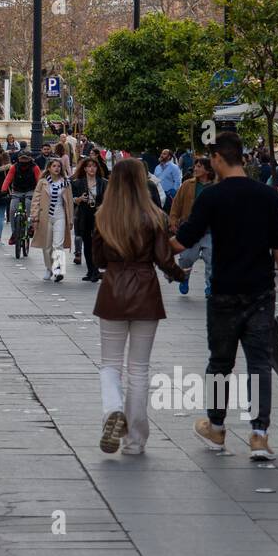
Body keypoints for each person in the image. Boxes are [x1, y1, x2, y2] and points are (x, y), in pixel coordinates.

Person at [172, 131, 278, 462]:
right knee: (259, 365)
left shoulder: (212, 197)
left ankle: (216, 427)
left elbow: (183, 242)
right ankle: (259, 436)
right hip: (261, 292)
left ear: (217, 158)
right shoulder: (268, 195)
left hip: (224, 290)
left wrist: (150, 240)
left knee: (220, 363)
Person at [92, 159, 187, 454]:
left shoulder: (103, 216)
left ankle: (112, 411)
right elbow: (163, 257)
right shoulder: (154, 215)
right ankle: (135, 441)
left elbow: (98, 260)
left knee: (110, 364)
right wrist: (179, 274)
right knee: (139, 369)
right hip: (145, 291)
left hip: (113, 291)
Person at [169, 156, 215, 297]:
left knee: (211, 259)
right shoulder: (187, 184)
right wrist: (173, 220)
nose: (195, 168)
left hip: (210, 231)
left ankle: (210, 286)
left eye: (199, 166)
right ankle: (184, 278)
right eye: (195, 166)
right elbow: (176, 204)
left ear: (207, 170)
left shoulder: (216, 186)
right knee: (187, 258)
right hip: (190, 230)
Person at [31, 158, 74, 282]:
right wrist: (34, 216)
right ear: (49, 168)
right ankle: (49, 268)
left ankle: (58, 270)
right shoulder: (43, 182)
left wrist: (70, 219)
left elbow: (70, 202)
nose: (57, 168)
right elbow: (36, 200)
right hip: (45, 216)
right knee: (47, 246)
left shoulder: (66, 183)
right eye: (54, 166)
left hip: (60, 214)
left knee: (58, 244)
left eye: (59, 166)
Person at [71, 156, 108, 281]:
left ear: (97, 168)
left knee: (97, 242)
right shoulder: (78, 182)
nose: (92, 168)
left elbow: (108, 199)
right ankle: (90, 270)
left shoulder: (103, 182)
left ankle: (95, 270)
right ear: (85, 169)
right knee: (87, 242)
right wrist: (79, 199)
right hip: (84, 213)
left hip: (99, 214)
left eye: (94, 166)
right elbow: (72, 199)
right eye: (89, 166)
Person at [1, 150, 42, 243]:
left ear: (30, 159)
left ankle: (30, 226)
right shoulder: (14, 167)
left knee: (29, 205)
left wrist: (40, 192)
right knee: (12, 210)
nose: (23, 161)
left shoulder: (34, 167)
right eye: (22, 158)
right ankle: (14, 233)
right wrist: (3, 190)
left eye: (25, 159)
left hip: (31, 191)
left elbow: (39, 180)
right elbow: (8, 178)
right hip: (17, 191)